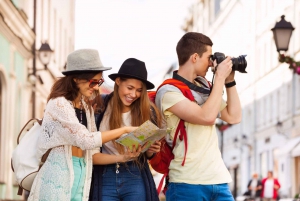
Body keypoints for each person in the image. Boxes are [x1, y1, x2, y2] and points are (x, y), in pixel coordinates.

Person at [28, 49, 138, 201]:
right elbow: (85, 140)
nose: (96, 87)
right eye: (93, 82)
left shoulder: (86, 109)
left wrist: (123, 157)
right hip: (56, 179)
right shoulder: (58, 104)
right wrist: (124, 130)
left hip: (82, 180)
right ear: (76, 79)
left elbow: (93, 154)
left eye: (99, 82)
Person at [154, 32, 242, 201]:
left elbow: (233, 116)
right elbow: (206, 117)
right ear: (195, 57)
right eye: (209, 57)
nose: (211, 63)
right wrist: (219, 78)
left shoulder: (205, 86)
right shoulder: (169, 92)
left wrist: (229, 81)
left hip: (219, 180)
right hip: (187, 182)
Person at [89, 58, 163, 201]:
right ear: (118, 81)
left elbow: (148, 156)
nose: (134, 94)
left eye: (139, 90)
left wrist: (151, 149)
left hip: (135, 173)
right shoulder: (99, 106)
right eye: (130, 88)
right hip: (105, 174)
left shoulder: (148, 111)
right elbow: (90, 147)